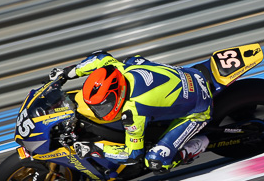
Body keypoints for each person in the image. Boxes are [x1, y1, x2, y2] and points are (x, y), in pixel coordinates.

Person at [49, 50, 211, 174]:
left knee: (156, 161)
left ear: (117, 95)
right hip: (191, 75)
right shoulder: (117, 70)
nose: (98, 110)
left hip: (199, 108)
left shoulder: (134, 112)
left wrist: (94, 149)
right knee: (132, 61)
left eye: (102, 105)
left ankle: (196, 146)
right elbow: (99, 57)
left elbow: (133, 155)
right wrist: (66, 73)